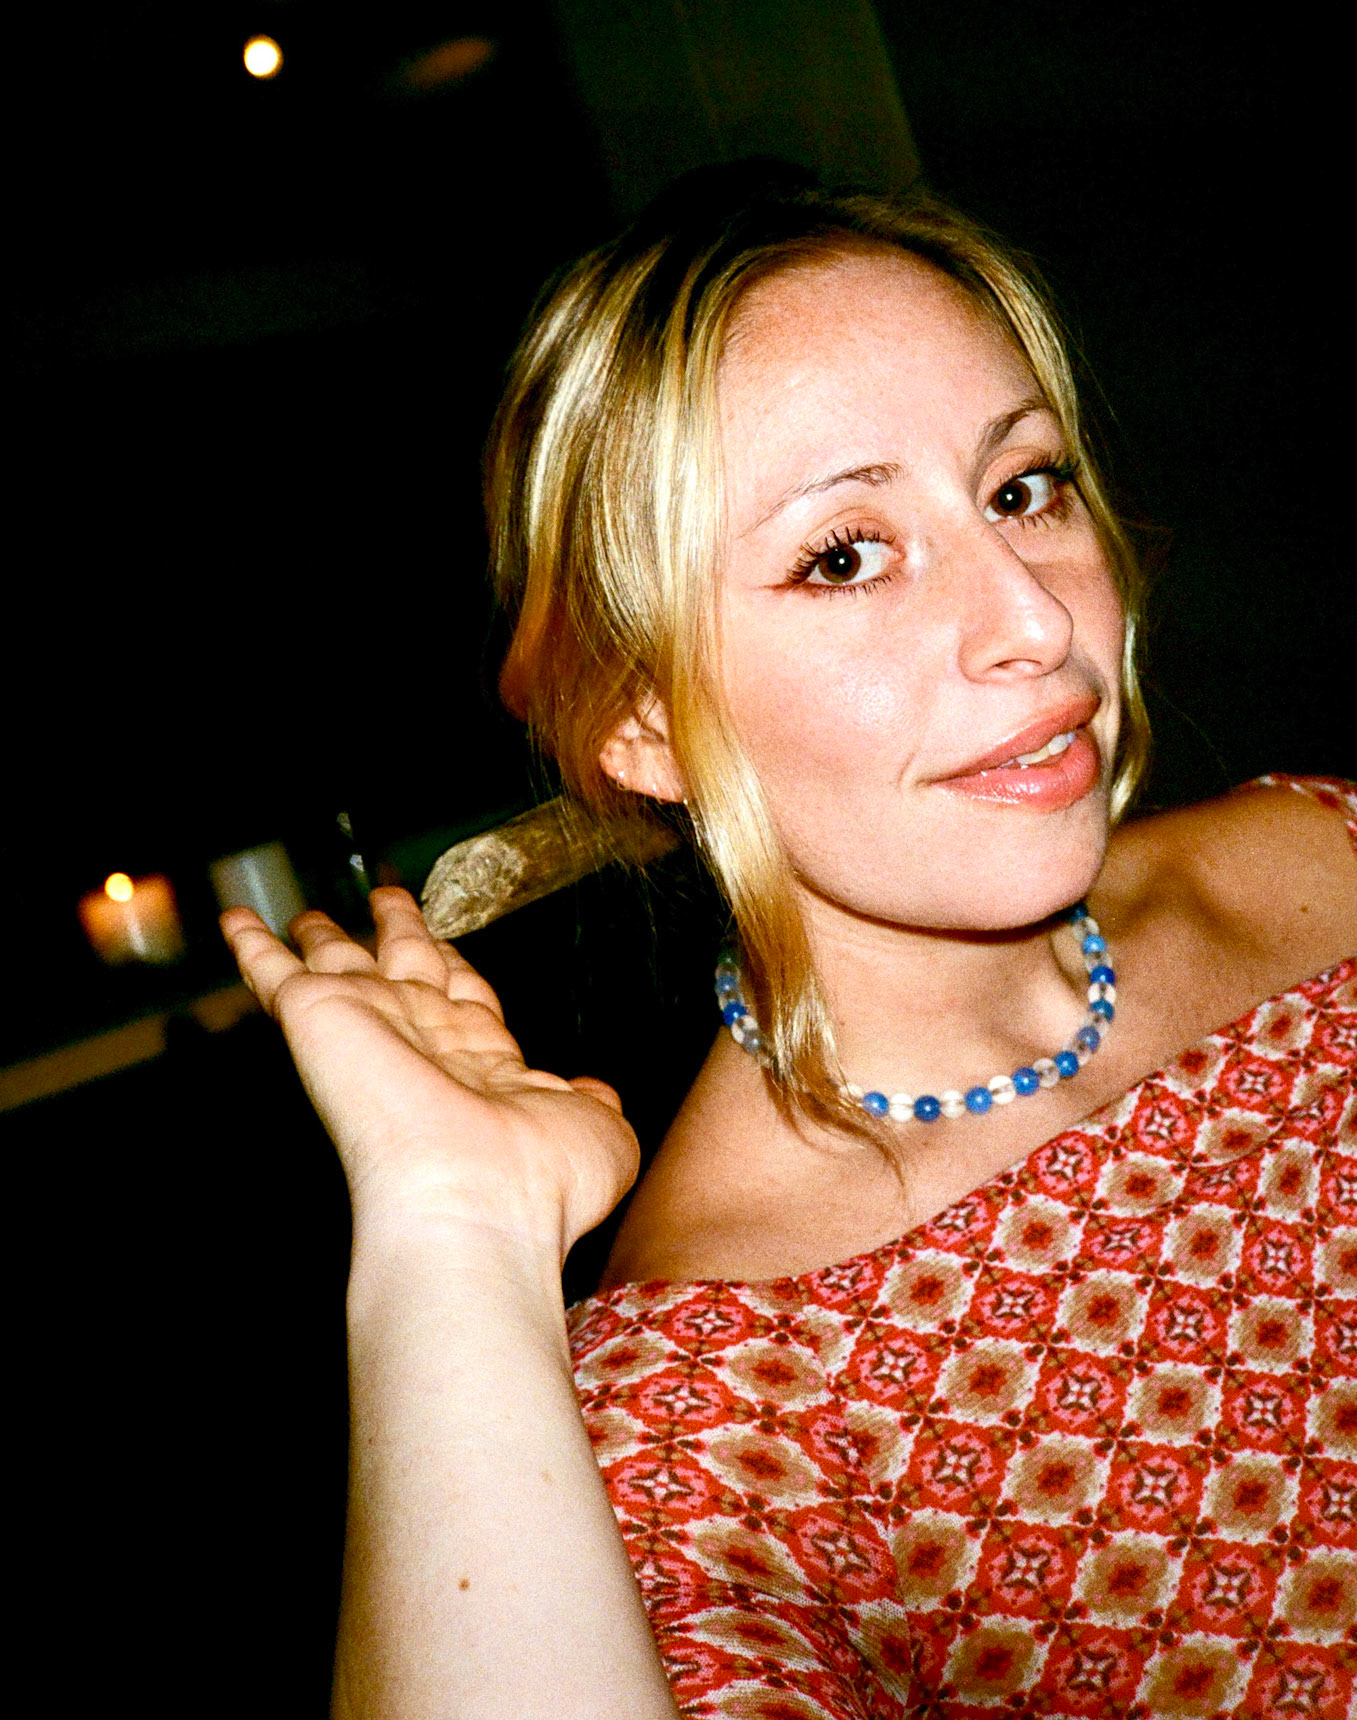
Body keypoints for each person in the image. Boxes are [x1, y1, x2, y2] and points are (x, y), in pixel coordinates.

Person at [223, 175, 1357, 1719]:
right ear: (643, 720)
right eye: (843, 555)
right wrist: (450, 1233)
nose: (1032, 620)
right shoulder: (715, 1405)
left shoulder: (1323, 852)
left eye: (1020, 487)